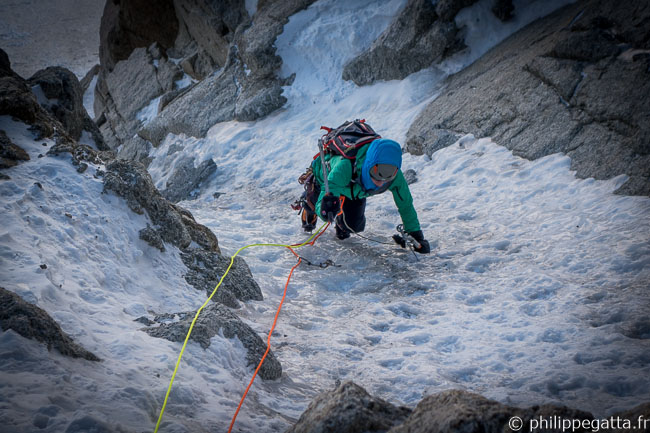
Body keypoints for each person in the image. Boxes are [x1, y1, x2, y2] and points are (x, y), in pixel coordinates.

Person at [301, 137, 430, 254]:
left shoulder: (395, 177)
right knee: (325, 209)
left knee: (353, 227)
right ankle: (308, 206)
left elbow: (405, 204)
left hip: (354, 190)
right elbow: (328, 191)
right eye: (376, 174)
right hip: (325, 179)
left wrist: (415, 234)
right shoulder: (344, 167)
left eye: (388, 177)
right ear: (369, 164)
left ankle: (341, 224)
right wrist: (323, 210)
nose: (381, 182)